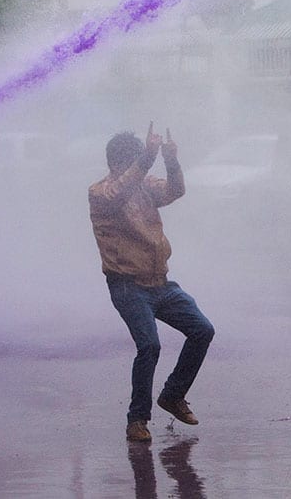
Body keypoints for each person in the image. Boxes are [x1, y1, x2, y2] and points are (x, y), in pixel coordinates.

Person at [88, 123, 214, 442]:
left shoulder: (144, 186)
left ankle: (173, 395)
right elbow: (120, 192)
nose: (139, 169)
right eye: (133, 163)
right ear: (117, 164)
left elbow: (175, 191)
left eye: (140, 162)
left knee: (202, 330)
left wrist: (170, 160)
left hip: (160, 283)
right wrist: (146, 157)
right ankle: (137, 419)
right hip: (127, 285)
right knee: (149, 346)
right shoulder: (101, 192)